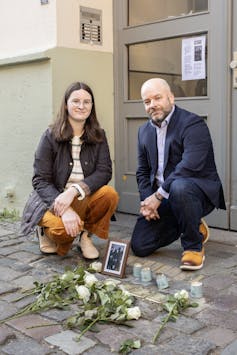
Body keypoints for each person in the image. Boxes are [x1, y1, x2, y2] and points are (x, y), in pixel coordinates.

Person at [131, 78, 226, 270]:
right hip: (164, 198)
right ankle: (192, 224)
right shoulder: (143, 131)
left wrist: (158, 196)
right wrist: (148, 201)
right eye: (147, 101)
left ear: (171, 98)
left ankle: (193, 246)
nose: (152, 105)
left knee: (179, 186)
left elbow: (189, 166)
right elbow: (142, 171)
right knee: (140, 245)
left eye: (157, 98)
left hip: (196, 192)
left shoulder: (193, 124)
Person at [20, 82, 119, 259]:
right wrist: (64, 209)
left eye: (87, 102)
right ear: (66, 104)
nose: (81, 106)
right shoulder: (50, 135)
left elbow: (104, 171)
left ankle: (85, 236)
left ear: (92, 106)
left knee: (109, 194)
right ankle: (45, 230)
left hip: (80, 196)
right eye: (76, 101)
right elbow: (40, 180)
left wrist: (74, 190)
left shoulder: (99, 135)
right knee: (63, 232)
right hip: (51, 200)